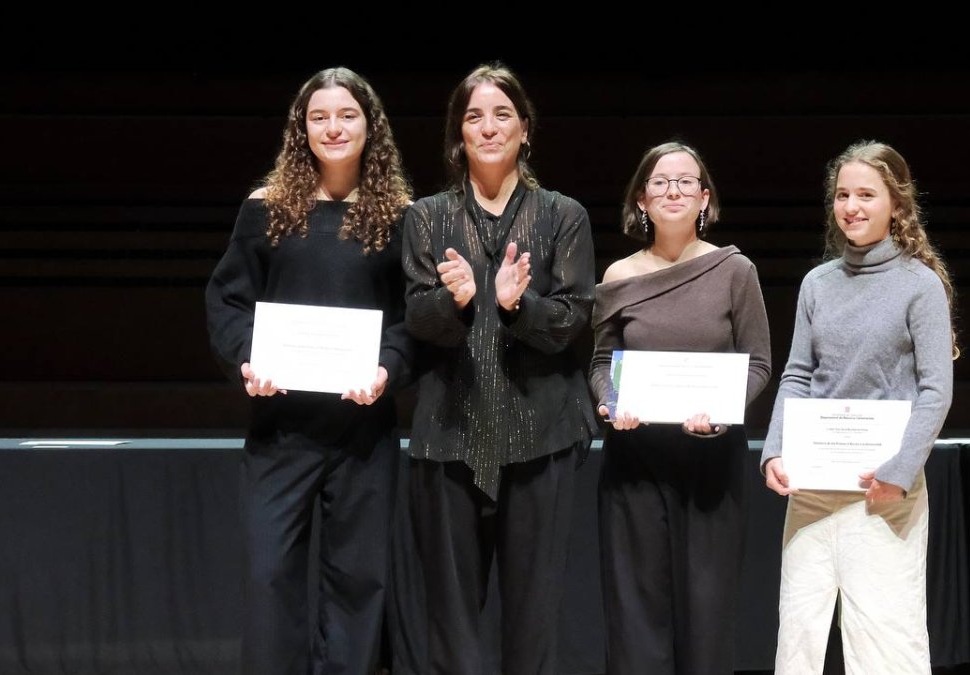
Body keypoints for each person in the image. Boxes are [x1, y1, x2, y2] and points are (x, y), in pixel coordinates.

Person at [205, 66, 414, 675]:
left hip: (363, 431)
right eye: (319, 116)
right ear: (302, 127)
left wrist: (385, 368)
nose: (334, 127)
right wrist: (249, 359)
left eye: (348, 115)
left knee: (360, 583)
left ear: (370, 126)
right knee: (270, 577)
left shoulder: (400, 214)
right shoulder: (266, 208)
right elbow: (228, 300)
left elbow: (412, 319)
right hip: (280, 430)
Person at [401, 63, 597, 675]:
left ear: (525, 129)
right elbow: (416, 320)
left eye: (502, 114)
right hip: (449, 433)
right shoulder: (426, 217)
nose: (488, 128)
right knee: (452, 613)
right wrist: (455, 302)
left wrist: (517, 306)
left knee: (535, 612)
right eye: (474, 117)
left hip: (542, 434)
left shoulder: (563, 215)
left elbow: (571, 323)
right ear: (459, 135)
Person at [761, 140, 956, 674]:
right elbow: (797, 374)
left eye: (866, 194)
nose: (852, 206)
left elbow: (936, 390)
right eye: (843, 194)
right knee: (797, 643)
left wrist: (898, 472)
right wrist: (775, 450)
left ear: (896, 204)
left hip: (883, 492)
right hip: (813, 494)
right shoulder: (817, 284)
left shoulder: (921, 286)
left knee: (886, 646)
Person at [589, 141, 772, 674]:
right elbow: (601, 363)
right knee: (635, 616)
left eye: (685, 181)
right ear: (641, 199)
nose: (673, 190)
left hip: (711, 466)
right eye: (660, 182)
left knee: (708, 617)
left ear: (704, 198)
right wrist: (610, 400)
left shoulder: (735, 270)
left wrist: (720, 411)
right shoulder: (619, 276)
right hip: (633, 465)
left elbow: (758, 363)